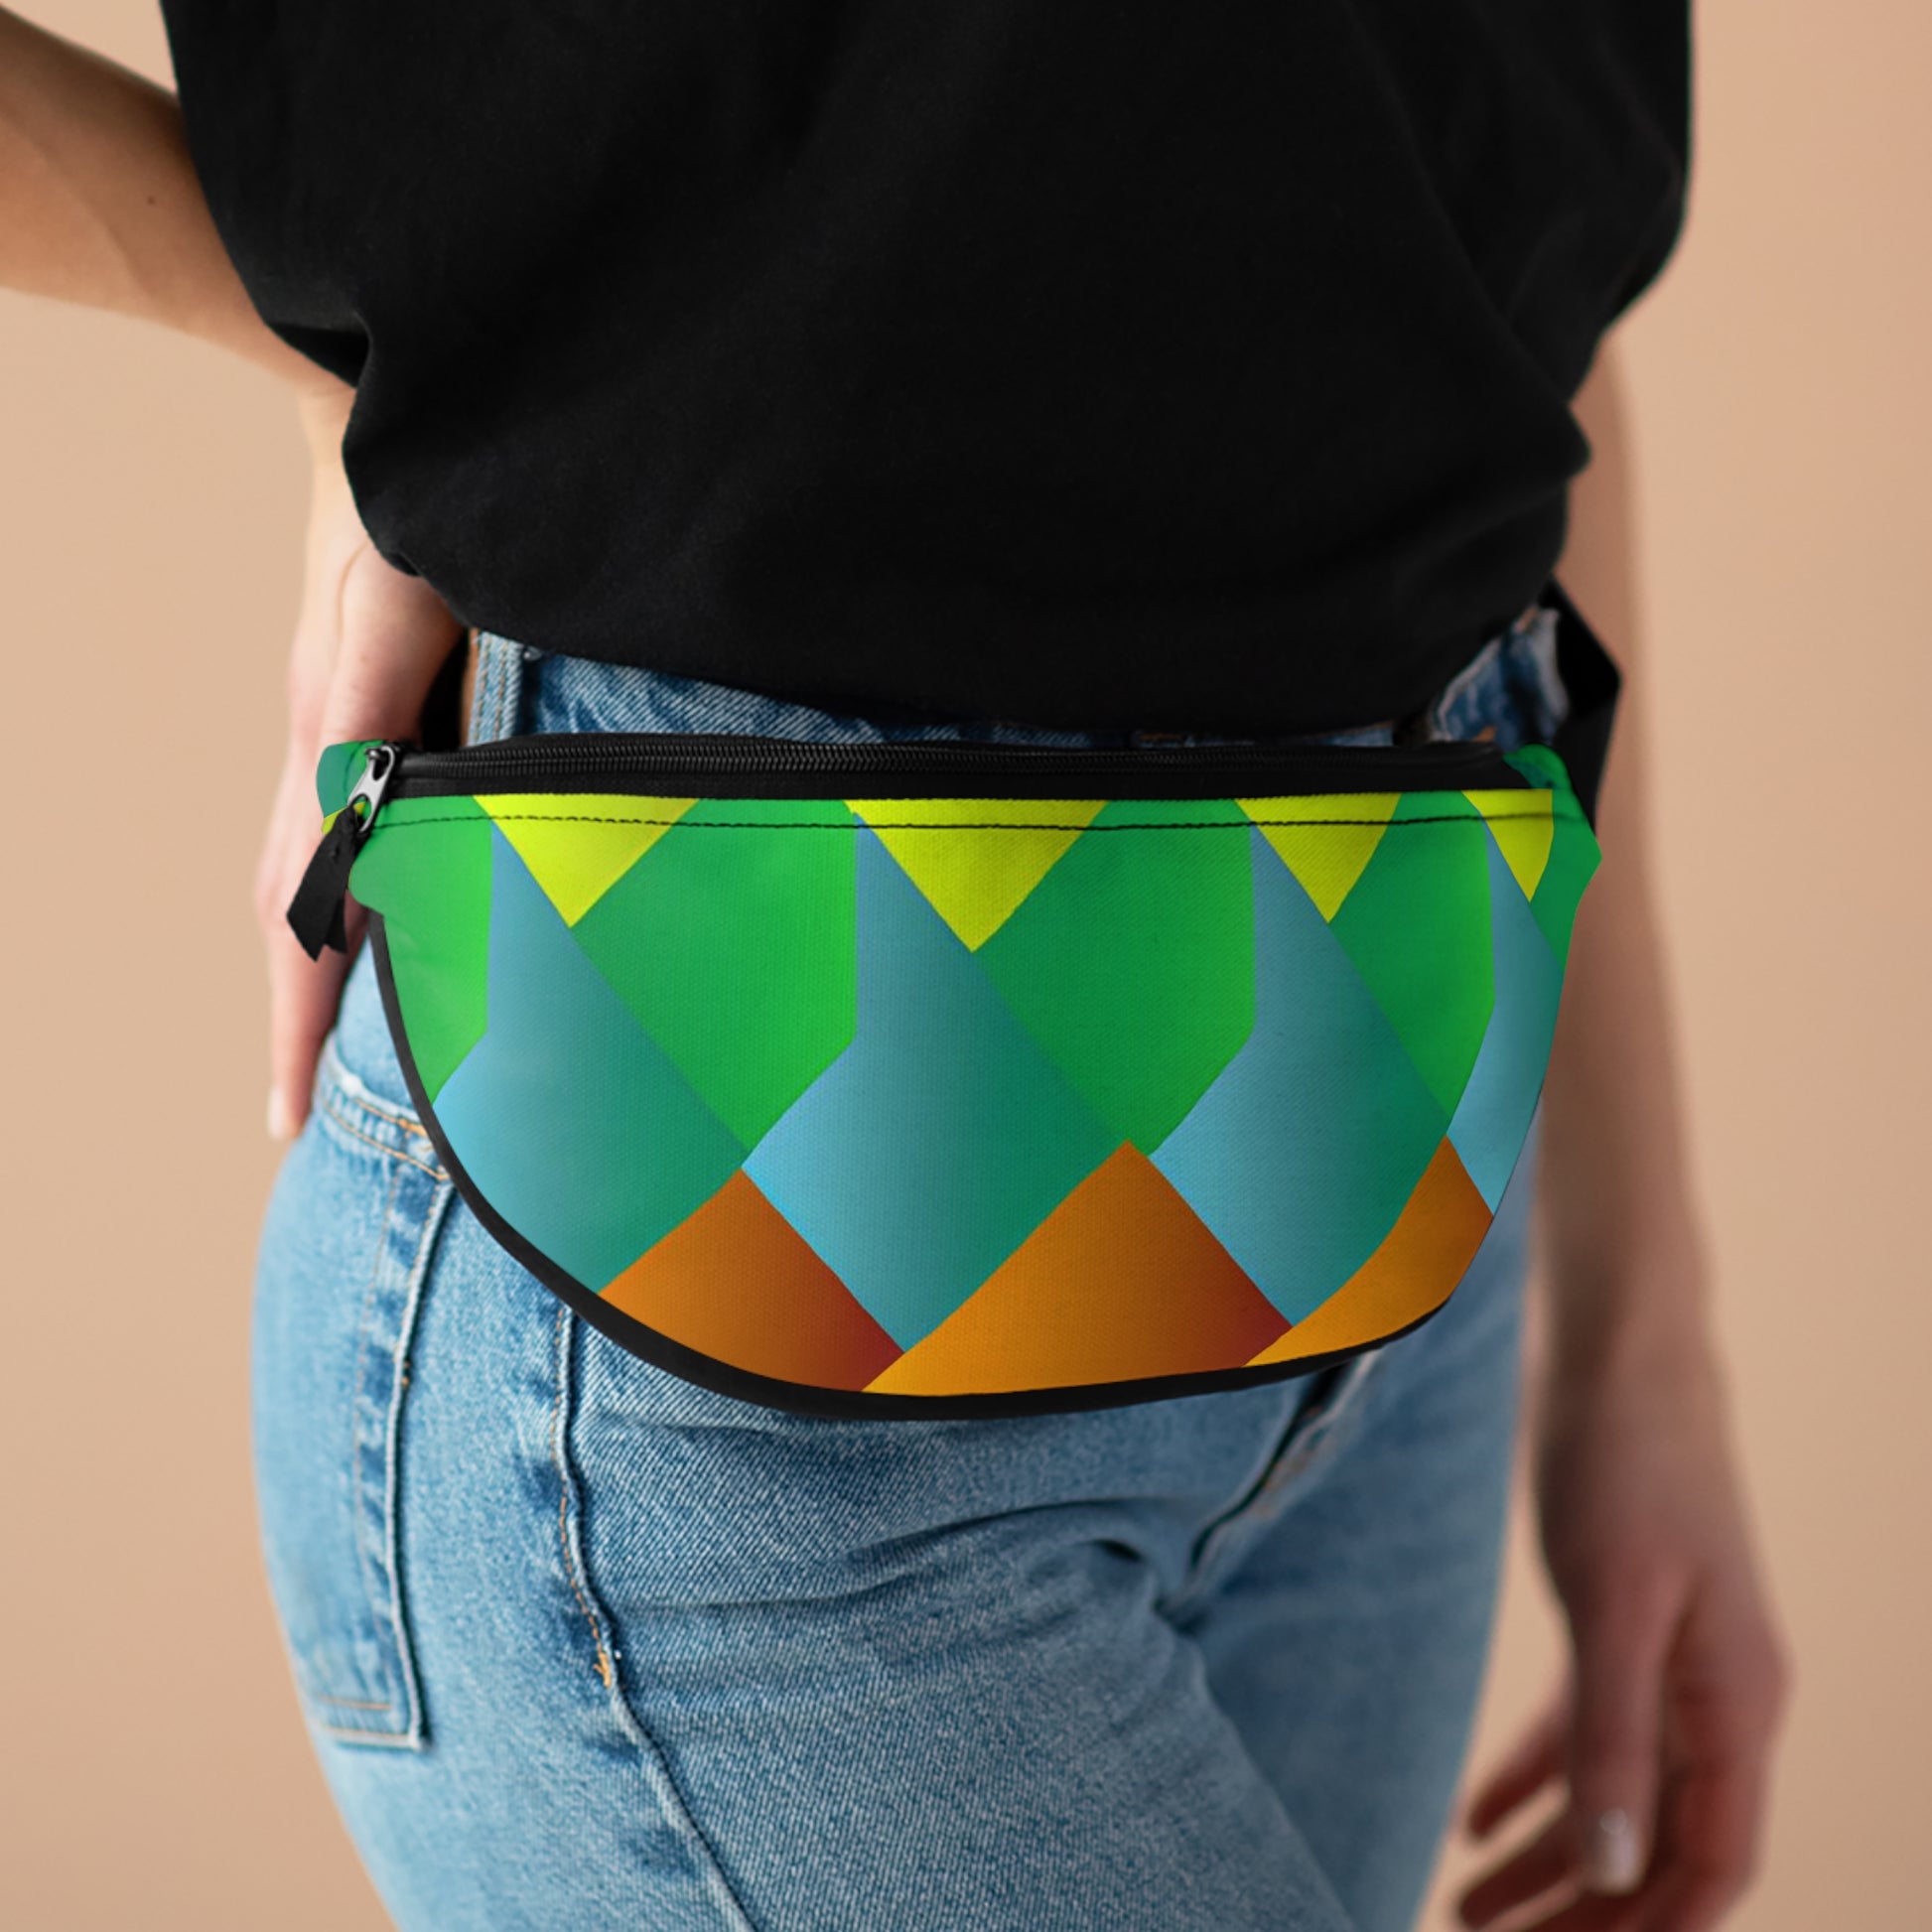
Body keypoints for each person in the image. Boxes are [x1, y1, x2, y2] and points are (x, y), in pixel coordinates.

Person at [1, 7, 1788, 1929]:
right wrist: (345, 374)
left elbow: (1503, 263)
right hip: (724, 1289)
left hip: (1395, 1154)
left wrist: (1641, 1333)